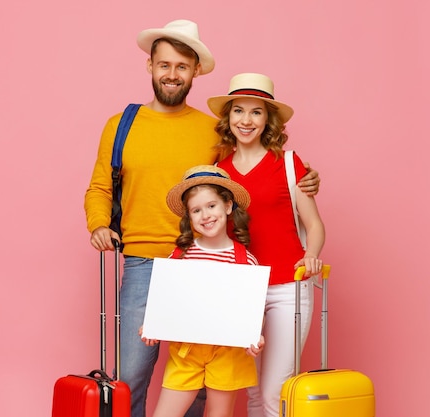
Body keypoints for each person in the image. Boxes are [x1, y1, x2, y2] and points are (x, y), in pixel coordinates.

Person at [84, 20, 320, 417]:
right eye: (164, 65)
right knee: (132, 375)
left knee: (204, 378)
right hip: (144, 262)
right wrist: (98, 224)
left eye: (181, 66)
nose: (172, 74)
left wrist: (305, 178)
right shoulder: (121, 125)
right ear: (150, 67)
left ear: (195, 71)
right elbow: (100, 188)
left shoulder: (212, 130)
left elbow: (246, 169)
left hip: (202, 263)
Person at [209, 73, 326, 417]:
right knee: (253, 392)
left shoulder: (290, 164)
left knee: (276, 391)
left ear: (267, 120)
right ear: (228, 118)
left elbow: (314, 224)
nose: (246, 120)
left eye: (256, 112)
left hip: (289, 285)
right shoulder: (217, 170)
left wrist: (312, 256)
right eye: (239, 111)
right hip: (241, 288)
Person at [139, 165, 265, 417]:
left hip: (228, 353)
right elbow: (167, 300)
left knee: (219, 414)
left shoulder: (245, 260)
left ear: (228, 206)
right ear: (189, 217)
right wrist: (153, 324)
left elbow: (251, 308)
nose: (205, 215)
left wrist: (255, 336)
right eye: (196, 210)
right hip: (186, 351)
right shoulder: (180, 255)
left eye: (211, 206)